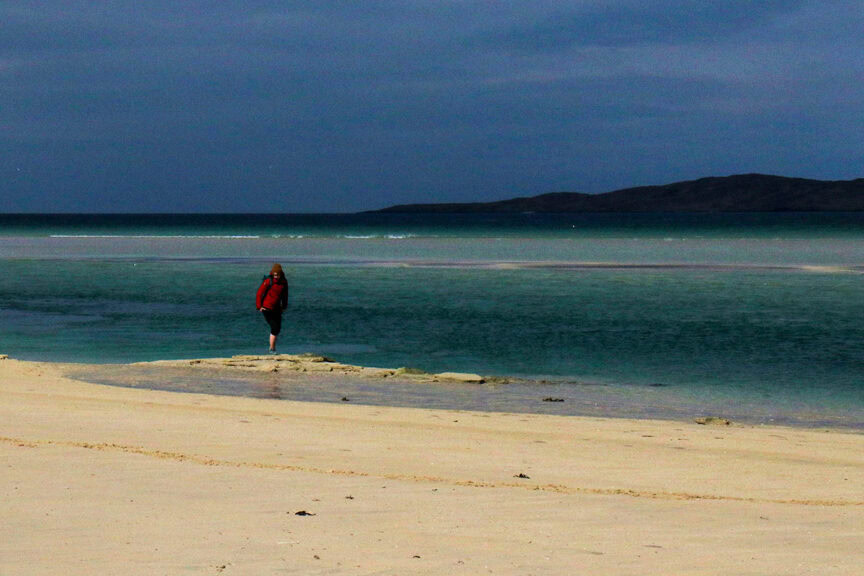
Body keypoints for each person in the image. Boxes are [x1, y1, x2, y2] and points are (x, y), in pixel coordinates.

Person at [256, 263, 289, 354]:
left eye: (277, 275)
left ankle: (273, 348)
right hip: (266, 308)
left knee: (278, 328)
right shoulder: (268, 281)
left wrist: (284, 306)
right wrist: (259, 306)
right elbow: (259, 293)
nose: (276, 277)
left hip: (277, 308)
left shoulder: (283, 282)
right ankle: (272, 349)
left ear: (280, 273)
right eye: (274, 275)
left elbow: (285, 295)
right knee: (274, 327)